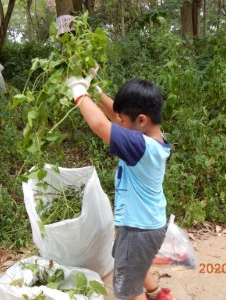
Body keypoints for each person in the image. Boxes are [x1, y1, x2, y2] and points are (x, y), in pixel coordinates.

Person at [66, 70, 173, 300]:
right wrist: (97, 92)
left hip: (139, 230)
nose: (119, 122)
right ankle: (157, 293)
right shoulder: (153, 137)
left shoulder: (140, 146)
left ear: (141, 120)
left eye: (123, 121)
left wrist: (78, 91)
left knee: (127, 290)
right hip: (149, 224)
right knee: (134, 263)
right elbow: (117, 117)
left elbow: (99, 124)